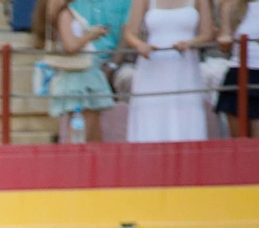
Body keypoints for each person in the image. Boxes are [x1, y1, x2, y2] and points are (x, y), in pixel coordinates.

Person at [122, 0, 211, 140]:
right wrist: (140, 45)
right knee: (152, 113)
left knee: (185, 112)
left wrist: (190, 43)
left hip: (185, 65)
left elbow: (207, 33)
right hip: (153, 65)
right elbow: (130, 34)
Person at [42, 0, 118, 141]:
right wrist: (91, 35)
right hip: (79, 79)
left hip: (86, 75)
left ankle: (93, 161)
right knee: (84, 130)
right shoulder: (63, 13)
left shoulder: (68, 11)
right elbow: (70, 46)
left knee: (93, 128)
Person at [214, 0, 259, 136]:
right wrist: (224, 39)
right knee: (239, 144)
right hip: (237, 74)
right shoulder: (230, 5)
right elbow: (225, 36)